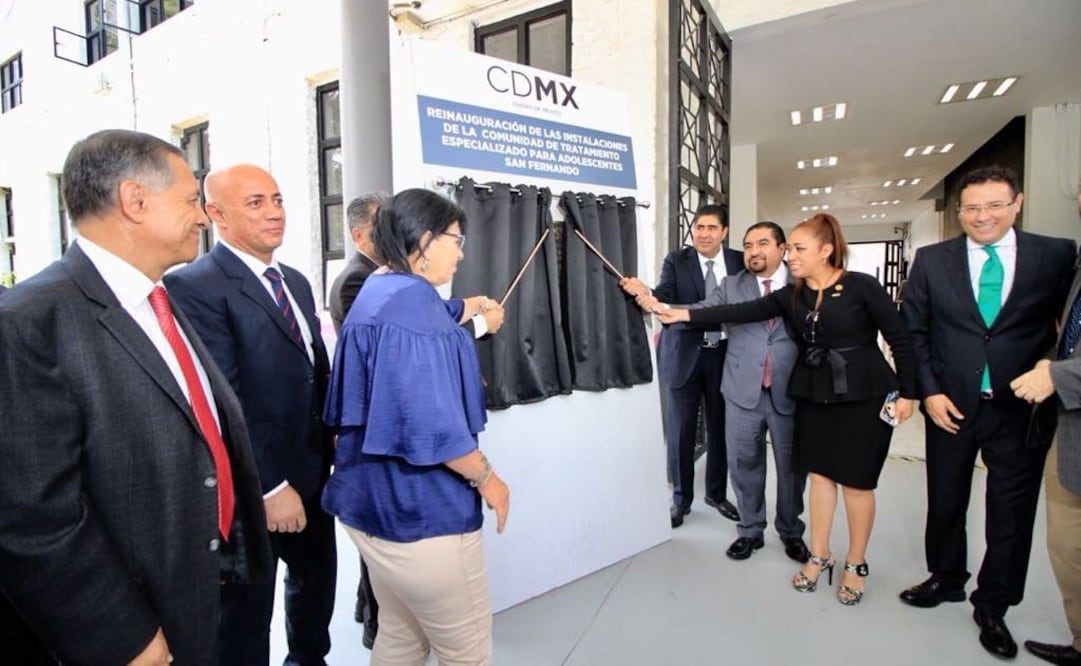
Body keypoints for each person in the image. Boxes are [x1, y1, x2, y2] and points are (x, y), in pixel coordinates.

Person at [0, 129, 272, 664]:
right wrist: (122, 638)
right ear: (135, 201)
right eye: (192, 200)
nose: (202, 217)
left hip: (220, 590)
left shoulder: (162, 300)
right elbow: (32, 517)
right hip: (142, 625)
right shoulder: (29, 323)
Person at [655, 213, 917, 605]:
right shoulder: (790, 295)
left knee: (848, 481)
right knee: (813, 477)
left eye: (796, 248)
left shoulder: (857, 287)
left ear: (824, 250)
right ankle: (798, 547)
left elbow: (899, 337)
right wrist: (677, 313)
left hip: (847, 395)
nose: (791, 255)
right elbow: (734, 312)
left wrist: (909, 393)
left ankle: (842, 557)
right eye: (790, 247)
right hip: (798, 394)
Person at [322, 188, 510, 665]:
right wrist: (489, 479)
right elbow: (432, 429)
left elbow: (433, 318)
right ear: (425, 240)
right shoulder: (412, 309)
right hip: (422, 517)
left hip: (372, 507)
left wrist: (470, 307)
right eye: (457, 239)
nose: (462, 251)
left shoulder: (381, 289)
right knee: (465, 652)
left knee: (401, 638)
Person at [899, 165, 1076, 660]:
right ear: (959, 213)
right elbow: (915, 333)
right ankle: (947, 577)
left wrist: (1050, 368)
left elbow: (1070, 328)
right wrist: (928, 392)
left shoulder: (1056, 255)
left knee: (1011, 514)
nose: (983, 217)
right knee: (946, 498)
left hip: (1022, 407)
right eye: (972, 208)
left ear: (1017, 203)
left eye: (995, 205)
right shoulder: (933, 261)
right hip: (950, 403)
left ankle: (994, 604)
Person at [165, 164, 337, 665]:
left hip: (311, 474)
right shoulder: (194, 286)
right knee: (245, 620)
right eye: (256, 203)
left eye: (278, 199)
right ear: (215, 213)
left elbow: (312, 373)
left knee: (314, 597)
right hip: (252, 489)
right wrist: (268, 485)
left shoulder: (297, 283)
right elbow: (222, 396)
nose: (274, 213)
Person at [632, 222, 809, 562]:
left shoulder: (804, 283)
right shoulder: (731, 285)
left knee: (791, 468)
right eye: (748, 245)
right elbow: (701, 309)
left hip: (791, 389)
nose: (754, 251)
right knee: (744, 463)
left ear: (782, 248)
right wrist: (652, 302)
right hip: (742, 390)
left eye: (762, 243)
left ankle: (790, 530)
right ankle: (750, 529)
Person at [624, 204, 742, 528]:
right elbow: (663, 295)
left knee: (720, 429)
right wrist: (646, 293)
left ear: (724, 232)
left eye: (711, 228)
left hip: (725, 355)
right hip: (684, 354)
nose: (704, 234)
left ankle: (717, 494)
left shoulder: (738, 262)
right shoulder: (678, 260)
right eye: (699, 227)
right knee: (681, 432)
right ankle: (680, 499)